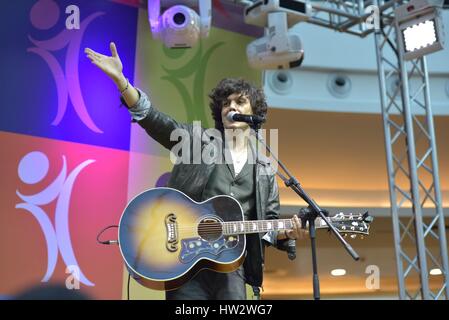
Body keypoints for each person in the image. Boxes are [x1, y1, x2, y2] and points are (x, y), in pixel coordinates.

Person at [85, 42, 305, 300]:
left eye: (240, 102)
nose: (230, 107)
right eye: (225, 103)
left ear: (254, 112)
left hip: (231, 267)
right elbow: (155, 120)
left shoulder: (266, 169)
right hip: (182, 258)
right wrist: (122, 82)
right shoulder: (197, 141)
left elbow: (267, 224)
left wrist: (287, 232)